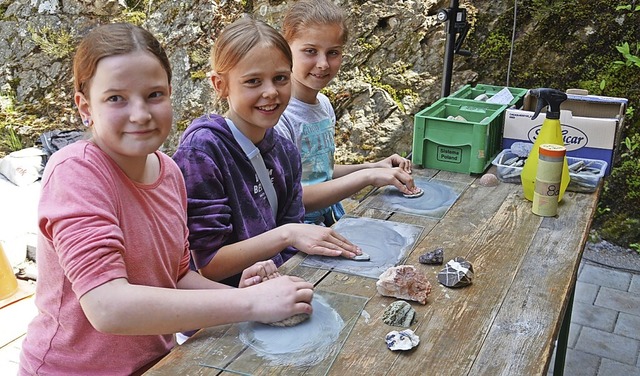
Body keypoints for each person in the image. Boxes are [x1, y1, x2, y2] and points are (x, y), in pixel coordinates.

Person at [18, 23, 314, 376]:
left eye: (154, 95)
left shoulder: (170, 172)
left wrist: (237, 293)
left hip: (159, 362)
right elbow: (107, 306)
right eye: (116, 98)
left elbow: (178, 277)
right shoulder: (76, 172)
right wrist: (249, 302)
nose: (140, 114)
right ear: (85, 106)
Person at [173, 17, 362, 288]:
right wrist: (287, 235)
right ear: (220, 85)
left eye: (280, 78)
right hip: (223, 308)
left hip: (275, 289)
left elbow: (291, 238)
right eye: (253, 82)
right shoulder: (202, 152)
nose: (271, 92)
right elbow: (209, 265)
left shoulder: (285, 150)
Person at [276, 0, 419, 226]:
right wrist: (367, 177)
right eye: (310, 51)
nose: (323, 63)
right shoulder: (279, 118)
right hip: (297, 236)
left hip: (330, 220)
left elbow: (322, 173)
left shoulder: (323, 104)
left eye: (333, 52)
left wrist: (372, 167)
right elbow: (291, 198)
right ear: (286, 49)